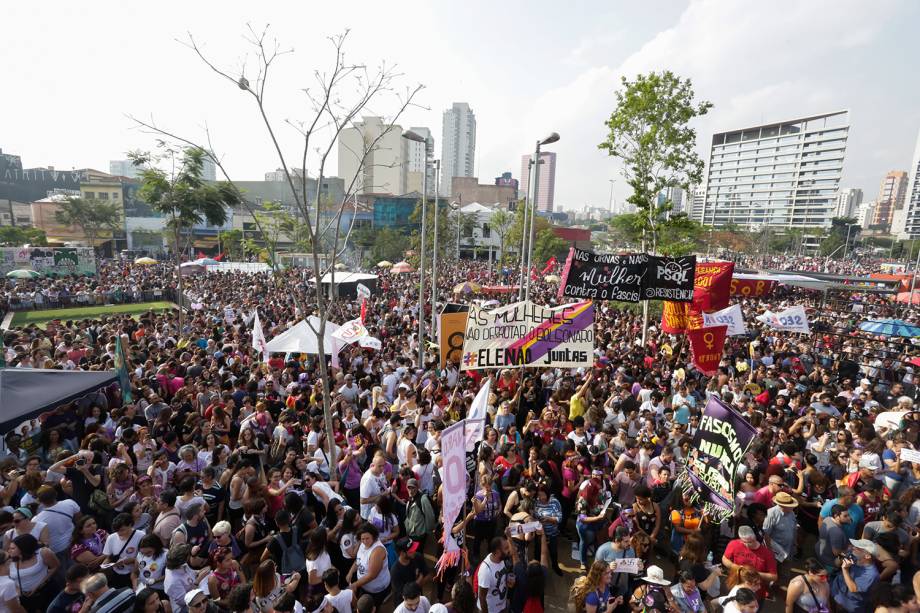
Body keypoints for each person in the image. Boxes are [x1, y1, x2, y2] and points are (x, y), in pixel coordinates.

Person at [721, 525, 777, 599]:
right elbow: (724, 559)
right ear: (741, 540)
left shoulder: (767, 553)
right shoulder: (734, 544)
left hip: (755, 593)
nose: (751, 544)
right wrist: (736, 567)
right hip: (735, 587)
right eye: (747, 542)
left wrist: (752, 573)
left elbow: (773, 577)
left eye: (753, 540)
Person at [8, 532, 60, 611]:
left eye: (13, 548)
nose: (9, 551)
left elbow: (55, 566)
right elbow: (7, 578)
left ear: (23, 548)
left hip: (46, 591)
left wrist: (38, 586)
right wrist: (18, 590)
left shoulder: (43, 553)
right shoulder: (8, 560)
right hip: (25, 597)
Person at [348, 522, 390, 607]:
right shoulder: (363, 544)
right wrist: (351, 571)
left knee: (372, 607)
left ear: (374, 536)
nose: (365, 541)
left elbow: (372, 575)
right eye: (362, 539)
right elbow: (358, 560)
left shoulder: (377, 551)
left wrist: (355, 584)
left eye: (367, 538)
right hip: (364, 586)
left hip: (376, 590)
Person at [830, 539, 879, 612]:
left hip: (848, 606)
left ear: (867, 556)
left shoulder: (871, 575)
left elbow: (853, 589)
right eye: (855, 545)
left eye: (858, 548)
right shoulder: (852, 554)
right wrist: (841, 558)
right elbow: (836, 563)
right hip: (835, 591)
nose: (853, 548)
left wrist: (845, 570)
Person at [477, 536, 513, 613]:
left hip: (502, 607)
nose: (509, 550)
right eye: (506, 548)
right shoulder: (486, 571)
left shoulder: (502, 560)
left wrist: (508, 581)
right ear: (497, 552)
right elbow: (482, 597)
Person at [816, 504, 850, 571]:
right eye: (845, 516)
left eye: (848, 515)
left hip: (820, 551)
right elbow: (836, 553)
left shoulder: (827, 519)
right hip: (829, 562)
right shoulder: (837, 532)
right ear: (836, 516)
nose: (849, 518)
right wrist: (850, 549)